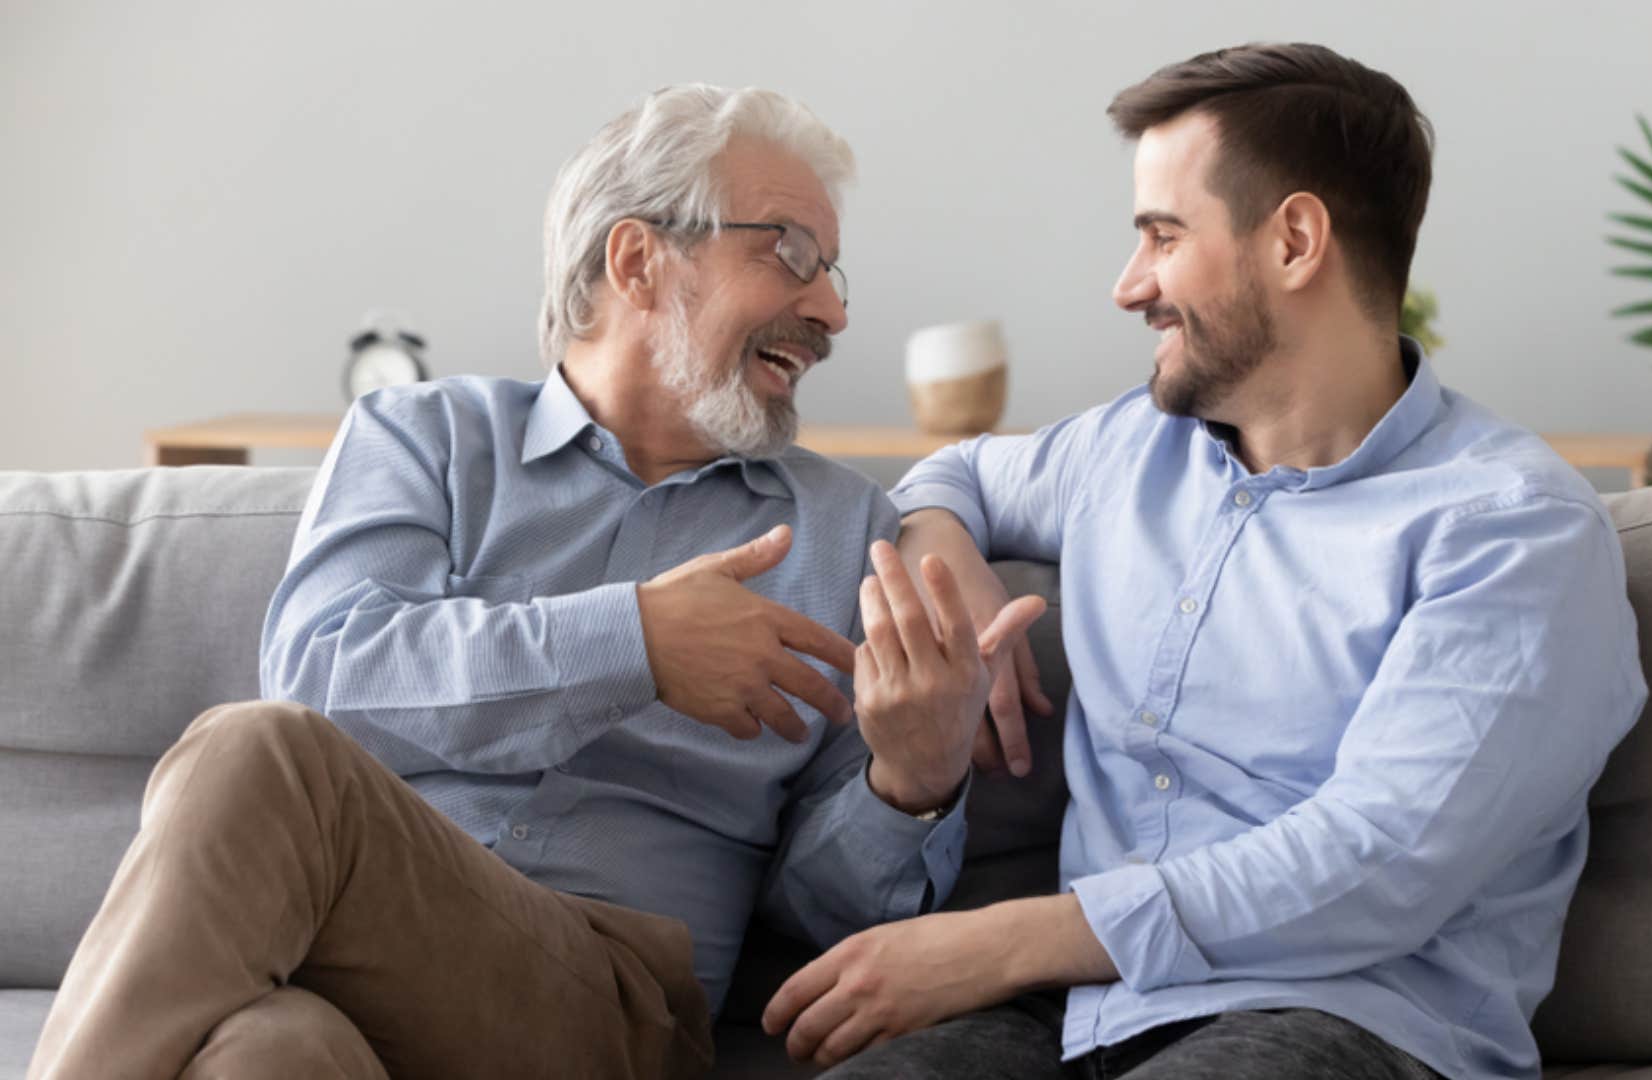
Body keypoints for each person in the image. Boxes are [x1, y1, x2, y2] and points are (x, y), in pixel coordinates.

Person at [29, 84, 1036, 1080]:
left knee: (259, 754)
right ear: (639, 261)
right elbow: (320, 674)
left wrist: (909, 783)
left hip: (608, 1003)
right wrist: (632, 643)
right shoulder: (424, 440)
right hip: (344, 955)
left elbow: (829, 930)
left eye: (832, 271)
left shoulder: (840, 527)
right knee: (269, 1052)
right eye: (792, 254)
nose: (832, 308)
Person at [761, 43, 1647, 1080]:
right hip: (1075, 1018)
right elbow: (952, 474)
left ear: (1296, 241)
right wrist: (943, 556)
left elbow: (1378, 866)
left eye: (1162, 236)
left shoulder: (1512, 529)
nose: (1128, 284)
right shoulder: (1125, 452)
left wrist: (996, 942)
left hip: (1345, 1021)